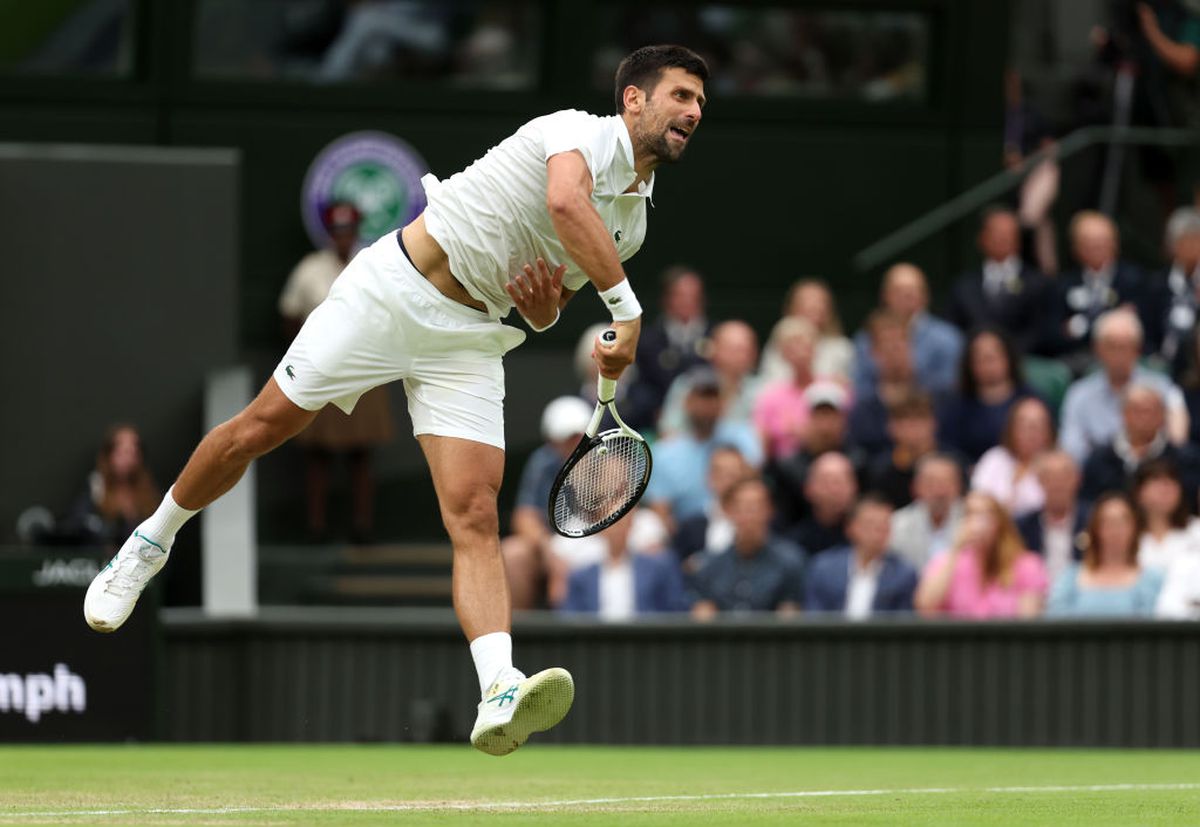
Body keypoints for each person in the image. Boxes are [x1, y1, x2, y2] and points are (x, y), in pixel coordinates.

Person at [83, 44, 710, 756]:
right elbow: (565, 201)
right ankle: (150, 542)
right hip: (392, 290)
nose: (693, 111)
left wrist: (542, 310)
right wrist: (627, 312)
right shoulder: (573, 131)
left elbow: (548, 309)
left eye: (699, 102)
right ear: (634, 99)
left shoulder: (632, 225)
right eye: (681, 95)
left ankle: (498, 687)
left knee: (475, 511)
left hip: (469, 339)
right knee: (261, 427)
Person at [278, 201, 394, 543]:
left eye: (349, 230)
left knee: (361, 454)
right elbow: (289, 314)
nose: (344, 237)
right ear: (330, 234)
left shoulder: (373, 263)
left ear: (356, 232)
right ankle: (316, 526)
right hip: (321, 367)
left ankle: (362, 527)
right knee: (318, 454)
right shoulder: (310, 269)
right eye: (338, 231)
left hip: (365, 368)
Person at [501, 396, 598, 610]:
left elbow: (615, 522)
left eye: (578, 437)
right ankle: (518, 628)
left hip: (599, 545)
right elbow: (524, 517)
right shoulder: (542, 462)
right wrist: (550, 554)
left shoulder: (609, 461)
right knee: (513, 553)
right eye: (566, 439)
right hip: (552, 546)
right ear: (553, 442)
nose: (574, 444)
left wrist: (583, 483)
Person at [1059, 309, 1188, 465]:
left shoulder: (1162, 388)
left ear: (1137, 349)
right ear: (1097, 349)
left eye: (1125, 346)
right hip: (1101, 473)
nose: (1118, 355)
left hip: (1152, 469)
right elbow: (1072, 452)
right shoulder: (1079, 395)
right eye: (1111, 346)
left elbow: (1177, 441)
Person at [644, 366, 762, 527]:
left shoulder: (743, 438)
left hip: (739, 527)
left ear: (723, 402)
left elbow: (754, 487)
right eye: (701, 397)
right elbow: (661, 514)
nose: (706, 406)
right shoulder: (664, 453)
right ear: (687, 402)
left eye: (712, 397)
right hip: (688, 533)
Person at [914, 491, 1048, 619]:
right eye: (969, 514)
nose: (976, 523)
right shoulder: (946, 562)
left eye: (984, 515)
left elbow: (1028, 622)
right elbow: (925, 606)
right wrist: (956, 549)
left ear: (1000, 522)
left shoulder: (1027, 565)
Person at [945, 206, 1056, 357]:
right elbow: (952, 331)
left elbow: (1042, 330)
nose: (1002, 238)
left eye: (1008, 233)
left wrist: (1008, 357)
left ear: (1018, 239)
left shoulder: (1038, 284)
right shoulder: (963, 287)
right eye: (996, 233)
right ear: (981, 238)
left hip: (1026, 362)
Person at [689, 477, 805, 618]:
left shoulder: (791, 561)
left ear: (770, 510)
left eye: (756, 508)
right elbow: (701, 615)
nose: (749, 516)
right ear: (728, 512)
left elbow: (791, 617)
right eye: (742, 508)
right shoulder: (710, 565)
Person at [1052, 211, 1149, 372]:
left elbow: (1142, 329)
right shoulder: (1064, 284)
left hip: (1121, 358)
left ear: (1115, 244)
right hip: (1075, 360)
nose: (1096, 248)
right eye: (1089, 243)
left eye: (1102, 242)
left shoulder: (1133, 280)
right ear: (1076, 248)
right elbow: (1053, 333)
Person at [764, 380, 867, 529]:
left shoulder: (859, 462)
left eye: (831, 416)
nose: (825, 426)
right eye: (819, 416)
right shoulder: (786, 468)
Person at [852, 263, 963, 399]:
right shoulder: (865, 338)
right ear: (884, 295)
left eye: (914, 289)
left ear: (926, 295)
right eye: (899, 290)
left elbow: (951, 386)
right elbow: (859, 387)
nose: (907, 295)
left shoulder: (948, 337)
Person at [1047, 493, 1163, 617]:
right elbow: (1056, 618)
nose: (1115, 530)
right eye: (1108, 523)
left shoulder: (1152, 578)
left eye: (1122, 522)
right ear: (1095, 529)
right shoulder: (1070, 577)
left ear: (1134, 528)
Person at [1080, 383, 1200, 503]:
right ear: (1123, 414)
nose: (1145, 417)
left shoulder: (1185, 460)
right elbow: (1088, 502)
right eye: (1137, 411)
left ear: (1163, 416)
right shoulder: (1100, 459)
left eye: (1151, 411)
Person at [624, 265, 710, 430]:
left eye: (694, 296)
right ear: (666, 299)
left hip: (708, 424)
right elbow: (639, 387)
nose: (688, 301)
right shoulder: (647, 340)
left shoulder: (717, 335)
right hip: (656, 426)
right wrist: (656, 412)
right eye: (681, 295)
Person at [804, 494, 918, 617]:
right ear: (850, 527)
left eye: (885, 525)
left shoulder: (904, 573)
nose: (878, 531)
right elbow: (814, 615)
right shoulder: (824, 568)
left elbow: (903, 621)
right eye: (870, 524)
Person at [936, 327, 1037, 465]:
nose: (988, 365)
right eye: (980, 359)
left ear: (1008, 357)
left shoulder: (1031, 400)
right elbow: (948, 448)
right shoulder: (956, 405)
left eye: (992, 358)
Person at [560, 511, 687, 619]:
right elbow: (572, 616)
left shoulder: (656, 570)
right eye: (610, 524)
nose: (616, 530)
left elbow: (673, 609)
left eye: (620, 523)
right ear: (600, 529)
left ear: (630, 526)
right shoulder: (582, 577)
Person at [58, 425, 160, 550]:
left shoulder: (146, 490)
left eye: (133, 453)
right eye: (122, 453)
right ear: (109, 455)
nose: (128, 459)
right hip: (105, 556)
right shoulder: (97, 485)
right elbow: (77, 521)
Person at [657, 320, 762, 437]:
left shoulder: (763, 391)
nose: (738, 356)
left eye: (744, 350)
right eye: (732, 349)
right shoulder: (688, 385)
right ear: (713, 349)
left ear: (754, 354)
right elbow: (668, 431)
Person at [970, 396, 1055, 520]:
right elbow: (977, 502)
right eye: (1025, 425)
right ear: (1011, 428)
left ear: (1049, 430)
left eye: (1038, 426)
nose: (1031, 433)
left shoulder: (1057, 465)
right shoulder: (994, 459)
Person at [752, 317, 823, 462]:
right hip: (782, 467)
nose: (799, 352)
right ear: (782, 354)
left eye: (804, 344)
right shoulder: (770, 395)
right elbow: (761, 442)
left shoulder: (832, 388)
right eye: (791, 347)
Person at [848, 310, 917, 456]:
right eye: (887, 343)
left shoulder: (934, 397)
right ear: (873, 352)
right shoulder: (863, 409)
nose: (894, 349)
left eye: (900, 341)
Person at [1015, 450, 1090, 583]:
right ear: (1039, 481)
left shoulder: (1092, 522)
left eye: (1064, 477)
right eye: (1050, 477)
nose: (1057, 484)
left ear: (1078, 479)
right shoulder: (1023, 527)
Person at [671, 445, 753, 567]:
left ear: (745, 477)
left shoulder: (762, 524)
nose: (726, 480)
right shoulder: (691, 527)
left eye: (732, 474)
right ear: (709, 477)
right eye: (720, 473)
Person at [761, 279, 854, 383]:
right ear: (793, 307)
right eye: (807, 302)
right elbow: (772, 382)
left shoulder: (842, 347)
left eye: (820, 302)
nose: (815, 307)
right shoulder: (778, 345)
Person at [865, 389, 944, 509]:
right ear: (890, 427)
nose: (912, 426)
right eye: (903, 419)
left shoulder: (953, 464)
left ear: (933, 423)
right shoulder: (880, 471)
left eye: (919, 417)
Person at [889, 453, 965, 572]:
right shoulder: (896, 525)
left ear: (959, 486)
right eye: (931, 483)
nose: (940, 491)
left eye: (947, 482)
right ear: (916, 487)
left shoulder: (971, 521)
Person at [1147, 207, 1200, 371]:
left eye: (1195, 241)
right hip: (1161, 365)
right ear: (1172, 246)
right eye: (1184, 242)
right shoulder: (1157, 284)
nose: (1191, 248)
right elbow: (1147, 329)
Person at [1132, 459, 1200, 572]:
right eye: (1157, 480)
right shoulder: (1126, 534)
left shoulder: (1196, 530)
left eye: (1172, 481)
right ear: (1139, 492)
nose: (1166, 488)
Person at [785, 451, 857, 555]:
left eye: (841, 482)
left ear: (855, 487)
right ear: (808, 489)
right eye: (826, 482)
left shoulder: (864, 538)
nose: (835, 490)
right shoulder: (794, 544)